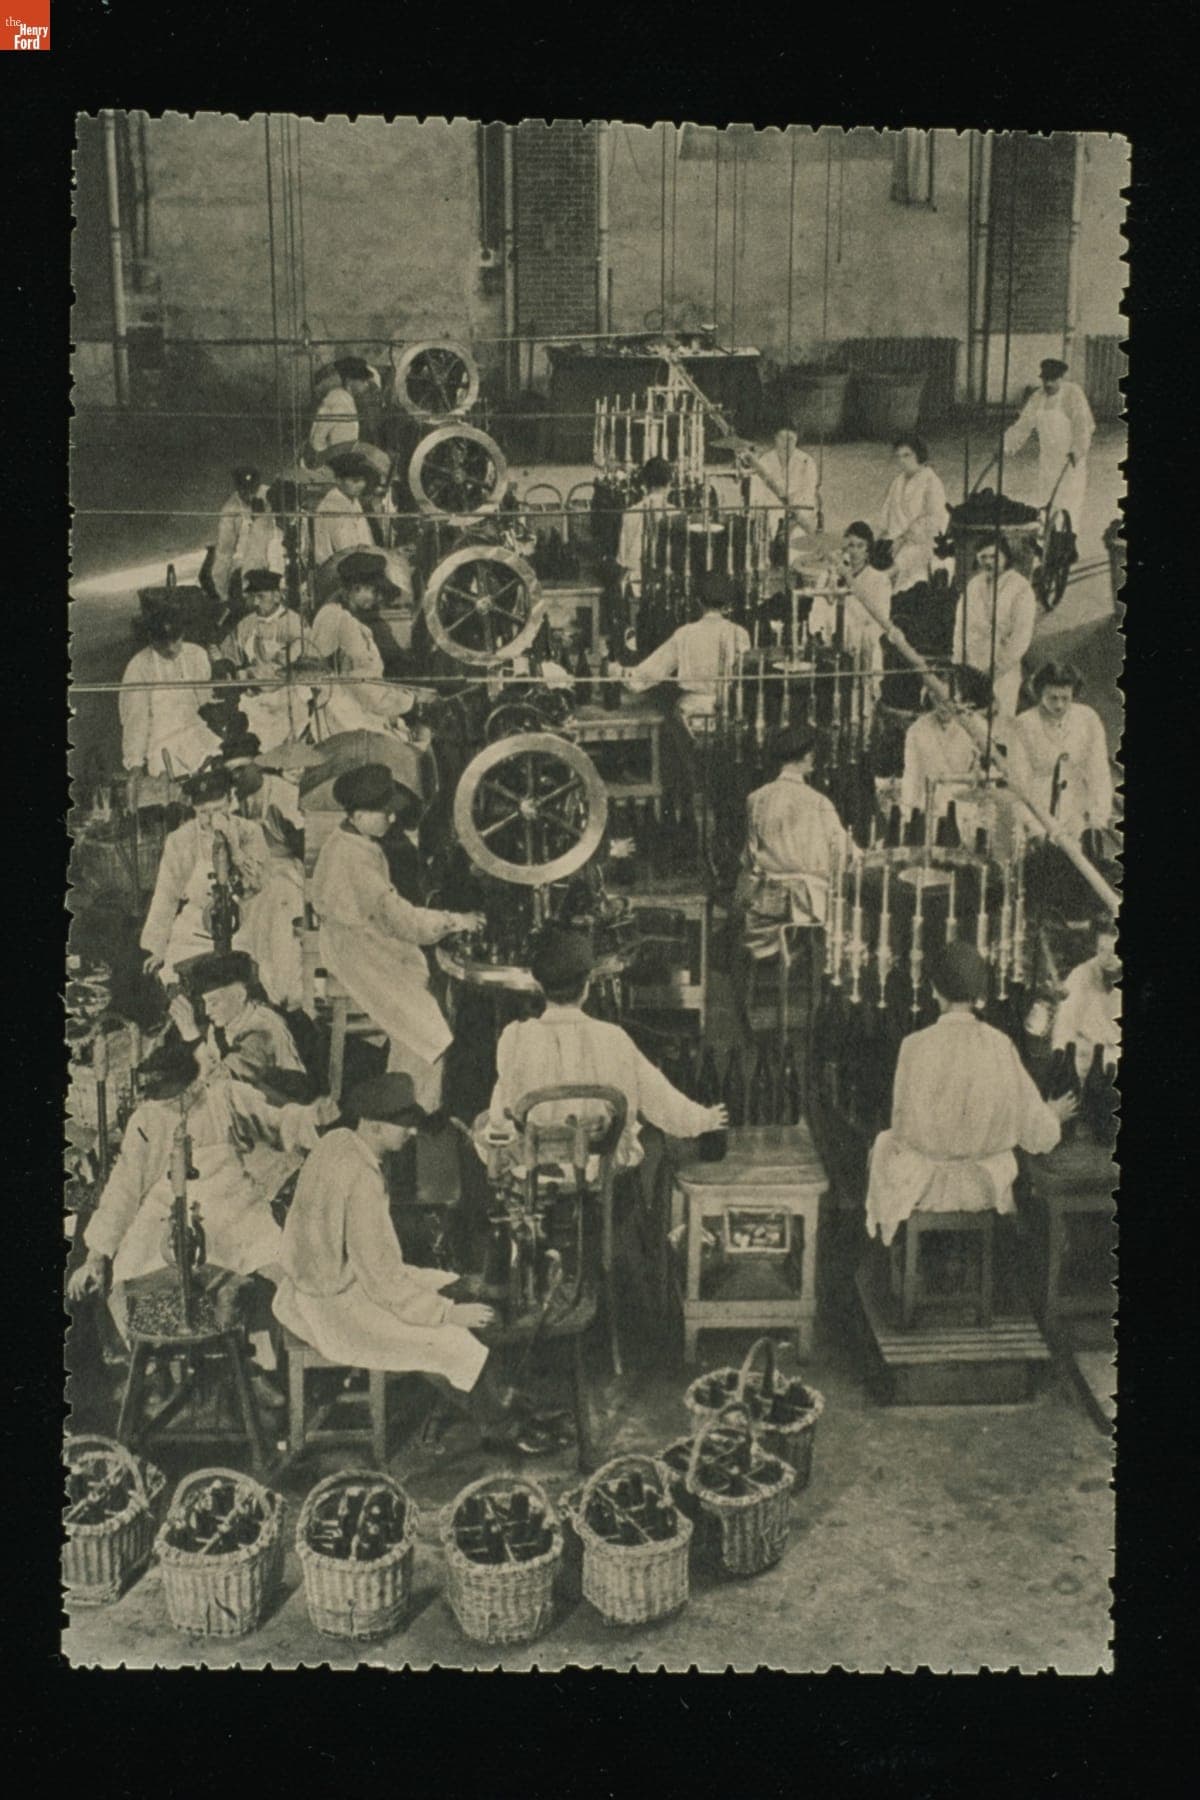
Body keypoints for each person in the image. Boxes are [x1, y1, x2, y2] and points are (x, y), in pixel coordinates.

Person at [273, 1074, 541, 1450]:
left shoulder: (337, 1142)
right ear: (375, 1126)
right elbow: (382, 1279)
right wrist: (446, 1314)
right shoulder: (362, 1179)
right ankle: (503, 1428)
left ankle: (505, 1401)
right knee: (448, 1340)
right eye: (405, 1126)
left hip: (320, 1283)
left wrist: (448, 1294)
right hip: (336, 1306)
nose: (412, 1133)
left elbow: (378, 1266)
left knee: (453, 1284)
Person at [67, 1039, 336, 1367]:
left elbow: (276, 1119)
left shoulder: (226, 1097)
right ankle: (158, 1367)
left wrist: (309, 1115)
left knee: (280, 1266)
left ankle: (268, 1361)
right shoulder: (146, 1120)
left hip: (232, 1202)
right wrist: (96, 1257)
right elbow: (123, 1188)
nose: (175, 1105)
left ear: (194, 1083)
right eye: (167, 1100)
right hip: (163, 1207)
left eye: (181, 1095)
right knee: (129, 1275)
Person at [865, 941, 1077, 1247]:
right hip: (982, 1187)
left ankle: (908, 1257)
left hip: (925, 1186)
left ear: (935, 990)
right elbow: (1037, 1132)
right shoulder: (999, 1044)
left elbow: (903, 1128)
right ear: (979, 993)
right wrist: (1053, 1115)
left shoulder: (914, 1045)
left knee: (885, 1144)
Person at [478, 928, 726, 1175]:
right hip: (597, 1164)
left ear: (540, 987)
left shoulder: (516, 1037)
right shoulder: (612, 1037)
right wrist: (705, 1119)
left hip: (532, 1164)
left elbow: (502, 1113)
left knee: (485, 1122)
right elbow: (661, 1101)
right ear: (586, 986)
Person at [310, 763, 484, 1111]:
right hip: (358, 955)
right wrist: (456, 920)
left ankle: (402, 1097)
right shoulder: (354, 858)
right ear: (358, 814)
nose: (391, 820)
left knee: (418, 1004)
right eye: (384, 814)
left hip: (357, 941)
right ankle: (420, 1110)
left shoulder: (349, 839)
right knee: (430, 1032)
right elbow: (403, 921)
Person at [736, 725, 854, 967]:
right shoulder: (819, 802)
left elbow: (749, 857)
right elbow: (844, 854)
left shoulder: (756, 799)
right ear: (809, 756)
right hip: (810, 911)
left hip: (766, 908)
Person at [1008, 660, 1115, 924]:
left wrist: (1097, 818)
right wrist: (1037, 828)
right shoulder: (1023, 725)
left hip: (1078, 814)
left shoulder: (1088, 719)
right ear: (1039, 693)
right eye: (1052, 698)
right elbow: (1018, 786)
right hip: (1039, 815)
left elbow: (1099, 772)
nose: (1059, 705)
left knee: (1083, 892)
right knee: (1042, 893)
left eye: (1065, 698)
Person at [169, 949, 310, 1099]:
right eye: (205, 1003)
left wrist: (191, 1035)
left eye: (214, 1003)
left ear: (240, 995)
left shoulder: (263, 1028)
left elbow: (221, 1081)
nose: (207, 1011)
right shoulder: (224, 1025)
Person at [309, 549, 417, 739]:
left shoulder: (350, 618)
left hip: (358, 707)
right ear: (358, 588)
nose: (377, 598)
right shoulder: (336, 618)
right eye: (374, 591)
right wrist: (411, 702)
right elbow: (363, 687)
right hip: (343, 717)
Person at [625, 569, 752, 731]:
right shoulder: (740, 633)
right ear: (728, 603)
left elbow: (651, 672)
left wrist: (623, 675)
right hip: (729, 713)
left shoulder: (685, 633)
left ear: (698, 601)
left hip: (690, 714)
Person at [119, 612, 221, 778]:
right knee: (170, 783)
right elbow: (135, 719)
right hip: (161, 741)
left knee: (221, 764)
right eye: (163, 643)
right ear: (151, 639)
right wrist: (135, 763)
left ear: (183, 635)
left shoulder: (196, 655)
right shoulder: (138, 666)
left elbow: (206, 701)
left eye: (176, 640)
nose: (171, 648)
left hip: (195, 730)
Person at [1003, 358, 1096, 531]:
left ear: (1061, 378)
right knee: (1047, 504)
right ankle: (1048, 544)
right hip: (1047, 461)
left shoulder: (1073, 394)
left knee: (1069, 507)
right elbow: (1023, 425)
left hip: (1071, 462)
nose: (1048, 384)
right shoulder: (1037, 397)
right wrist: (1007, 445)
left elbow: (1083, 426)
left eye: (1053, 380)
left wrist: (1077, 450)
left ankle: (1067, 543)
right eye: (1045, 380)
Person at [953, 534, 1037, 717]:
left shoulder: (1021, 589)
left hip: (1002, 672)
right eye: (983, 557)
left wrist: (994, 670)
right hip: (970, 669)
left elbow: (1020, 639)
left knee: (999, 725)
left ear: (1005, 557)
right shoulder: (974, 585)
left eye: (994, 556)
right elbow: (960, 627)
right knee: (968, 724)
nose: (988, 562)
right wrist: (959, 663)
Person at [224, 569, 307, 750]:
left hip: (287, 691)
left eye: (260, 597)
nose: (255, 602)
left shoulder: (294, 622)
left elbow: (303, 656)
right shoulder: (246, 623)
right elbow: (231, 656)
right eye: (252, 597)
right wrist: (242, 672)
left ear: (277, 596)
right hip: (255, 695)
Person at [878, 436, 950, 594]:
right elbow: (887, 512)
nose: (902, 460)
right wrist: (884, 538)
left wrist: (904, 537)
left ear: (919, 455)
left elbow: (934, 518)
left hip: (923, 543)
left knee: (904, 572)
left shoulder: (931, 481)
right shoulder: (897, 481)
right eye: (898, 456)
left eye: (907, 455)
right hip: (896, 541)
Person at [209, 466, 284, 610]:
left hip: (273, 561)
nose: (250, 496)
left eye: (253, 490)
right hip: (245, 568)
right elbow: (224, 552)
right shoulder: (230, 510)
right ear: (238, 489)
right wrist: (223, 592)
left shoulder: (270, 495)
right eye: (245, 491)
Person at [1051, 921, 1121, 1074]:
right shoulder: (1082, 975)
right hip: (1088, 1058)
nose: (1107, 958)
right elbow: (1064, 1024)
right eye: (1102, 950)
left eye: (1114, 951)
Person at [745, 424, 819, 541]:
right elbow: (756, 491)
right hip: (771, 509)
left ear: (796, 439)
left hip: (799, 510)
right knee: (768, 532)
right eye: (782, 438)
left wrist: (796, 513)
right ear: (775, 438)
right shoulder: (764, 461)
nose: (786, 443)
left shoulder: (807, 461)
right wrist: (759, 512)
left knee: (797, 536)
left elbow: (809, 492)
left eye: (790, 439)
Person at [616, 456, 675, 601]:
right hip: (668, 586)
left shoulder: (629, 513)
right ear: (669, 483)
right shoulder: (676, 514)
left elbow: (622, 559)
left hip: (636, 585)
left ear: (645, 483)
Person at [311, 450, 380, 566]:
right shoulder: (328, 506)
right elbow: (326, 551)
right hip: (341, 569)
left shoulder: (354, 501)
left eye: (363, 480)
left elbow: (365, 537)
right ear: (338, 481)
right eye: (355, 481)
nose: (361, 485)